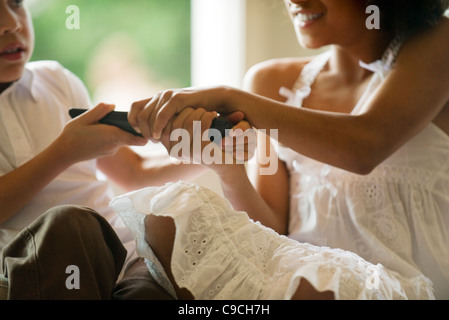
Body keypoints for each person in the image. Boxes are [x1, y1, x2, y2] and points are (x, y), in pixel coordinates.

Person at [122, 0, 449, 299]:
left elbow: (365, 146)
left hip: (398, 288)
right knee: (168, 221)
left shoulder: (440, 43)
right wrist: (229, 168)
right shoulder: (270, 82)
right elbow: (272, 230)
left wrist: (228, 97)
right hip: (301, 277)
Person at [0, 0, 227, 299]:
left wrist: (213, 152)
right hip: (36, 269)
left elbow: (134, 171)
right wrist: (64, 152)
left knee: (165, 261)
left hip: (120, 257)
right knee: (68, 223)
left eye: (15, 3)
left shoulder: (57, 81)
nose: (11, 23)